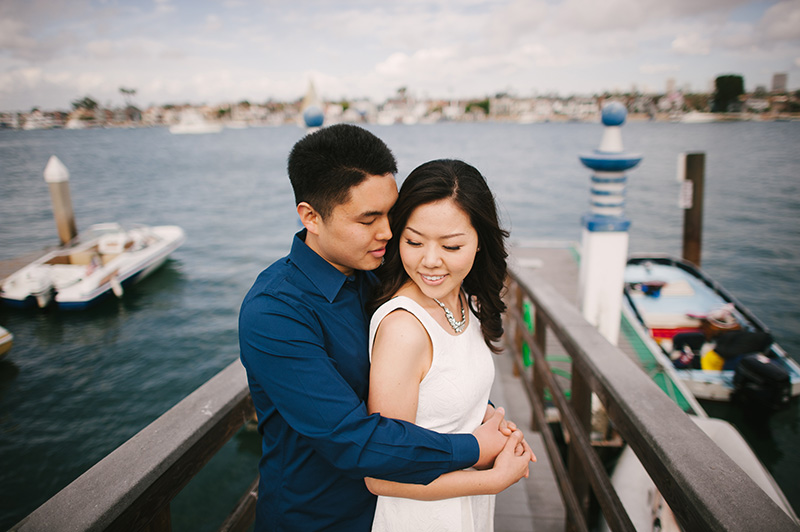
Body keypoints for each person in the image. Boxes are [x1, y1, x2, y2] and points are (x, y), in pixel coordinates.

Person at [239, 125, 528, 532]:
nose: (388, 232)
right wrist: (475, 448)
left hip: (399, 509)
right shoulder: (274, 313)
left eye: (391, 213)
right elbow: (351, 438)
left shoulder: (380, 270)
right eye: (369, 219)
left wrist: (473, 412)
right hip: (320, 518)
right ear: (311, 217)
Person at [365, 159, 534, 531]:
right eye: (413, 241)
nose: (429, 261)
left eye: (451, 245)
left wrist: (494, 423)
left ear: (479, 244)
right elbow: (381, 476)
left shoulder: (463, 301)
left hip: (466, 511)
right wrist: (495, 478)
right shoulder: (404, 330)